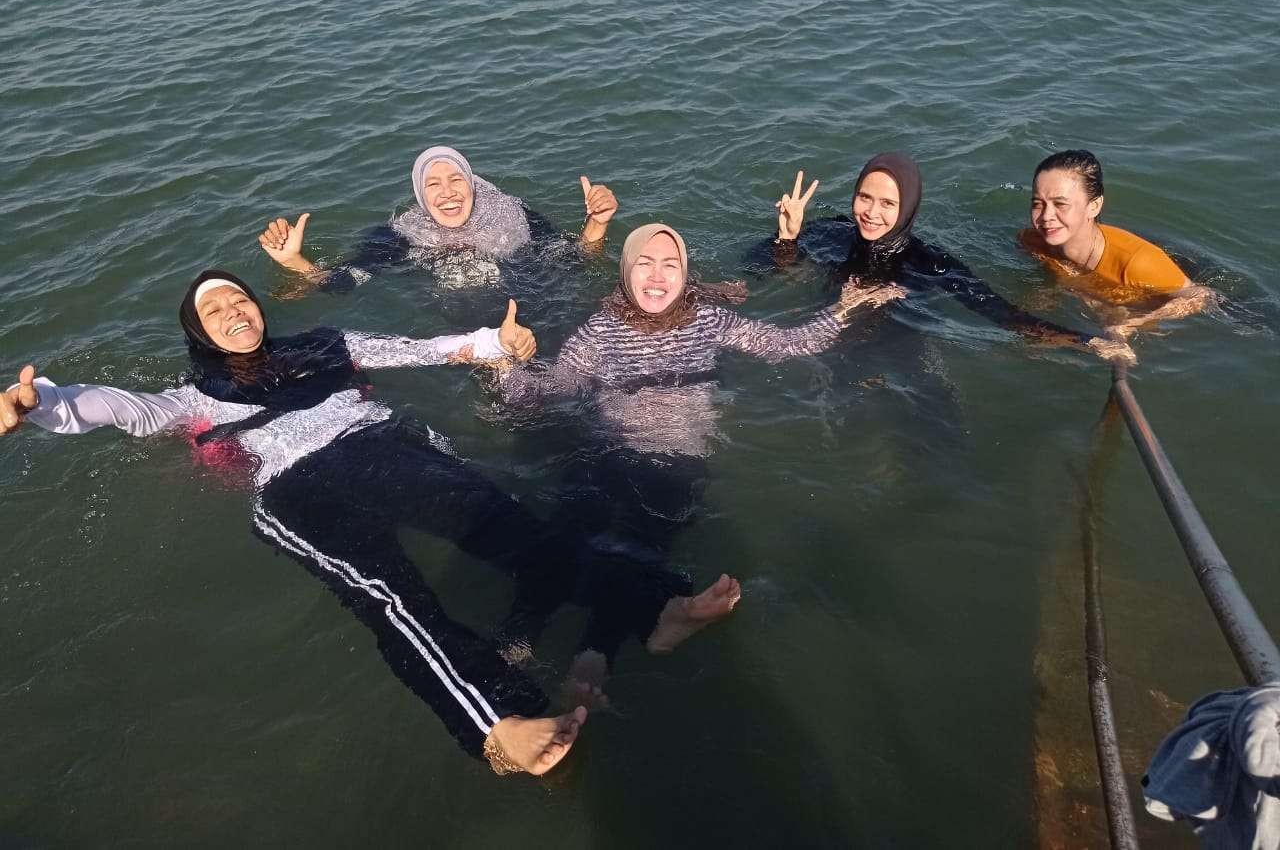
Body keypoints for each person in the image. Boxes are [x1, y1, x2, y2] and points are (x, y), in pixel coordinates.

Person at [0, 270, 740, 775]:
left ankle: (655, 607)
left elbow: (413, 351)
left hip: (381, 444)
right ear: (198, 332)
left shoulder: (324, 344)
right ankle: (495, 725)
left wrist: (493, 344)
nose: (234, 312)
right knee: (394, 597)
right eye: (214, 310)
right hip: (298, 490)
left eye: (239, 299)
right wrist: (45, 405)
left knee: (518, 529)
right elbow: (116, 407)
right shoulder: (191, 394)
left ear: (260, 306)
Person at [492, 224, 898, 681]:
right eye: (644, 263)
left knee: (638, 550)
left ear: (685, 275)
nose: (657, 275)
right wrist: (503, 360)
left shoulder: (709, 319)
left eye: (671, 265)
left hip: (677, 463)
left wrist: (843, 311)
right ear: (626, 272)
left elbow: (784, 346)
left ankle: (593, 661)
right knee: (563, 537)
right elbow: (544, 396)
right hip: (607, 451)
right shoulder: (598, 333)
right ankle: (514, 645)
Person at [753, 152, 1134, 363]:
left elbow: (1001, 313)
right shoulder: (827, 233)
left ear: (908, 207)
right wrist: (786, 239)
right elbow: (764, 276)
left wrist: (1086, 341)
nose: (871, 212)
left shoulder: (929, 262)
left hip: (893, 352)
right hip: (815, 343)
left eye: (888, 203)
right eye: (864, 197)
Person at [256, 145, 621, 292]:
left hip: (532, 303)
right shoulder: (402, 235)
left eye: (456, 179)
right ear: (420, 194)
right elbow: (345, 283)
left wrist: (598, 223)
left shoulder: (512, 212)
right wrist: (296, 262)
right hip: (462, 329)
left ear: (471, 184)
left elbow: (577, 263)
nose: (446, 192)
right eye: (433, 184)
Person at [1021, 149, 1212, 337]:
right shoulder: (1031, 242)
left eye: (1060, 204)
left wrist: (1134, 323)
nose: (1046, 216)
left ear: (1094, 206)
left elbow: (1201, 295)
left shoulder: (1137, 261)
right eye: (1038, 204)